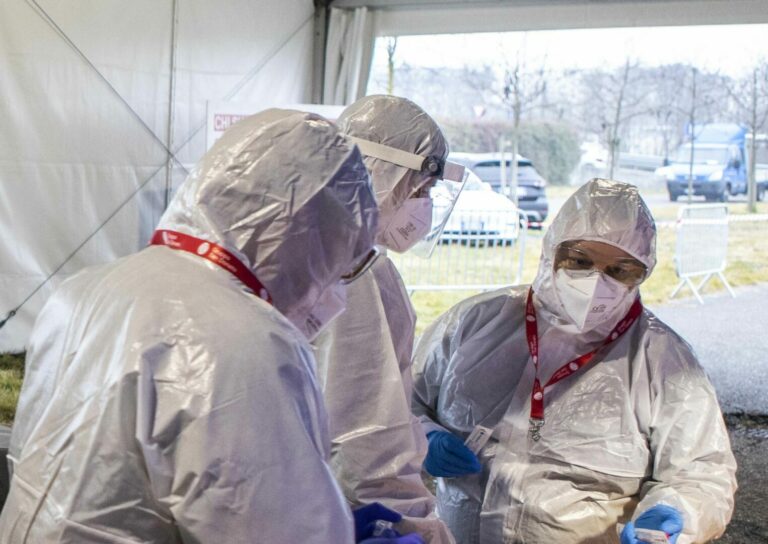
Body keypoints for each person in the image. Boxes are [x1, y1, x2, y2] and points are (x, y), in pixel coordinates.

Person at [0, 109, 419, 543]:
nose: (334, 289)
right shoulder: (246, 339)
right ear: (309, 232)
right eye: (339, 258)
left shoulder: (86, 289)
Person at [411, 178, 737, 544]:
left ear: (642, 272)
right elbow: (399, 405)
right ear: (551, 251)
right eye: (580, 261)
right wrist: (424, 437)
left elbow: (702, 472)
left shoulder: (664, 361)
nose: (595, 281)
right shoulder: (475, 323)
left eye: (619, 270)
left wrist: (677, 512)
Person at [313, 95, 464, 544]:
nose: (424, 207)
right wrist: (406, 523)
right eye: (419, 190)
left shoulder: (344, 256)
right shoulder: (355, 273)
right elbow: (364, 432)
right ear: (379, 175)